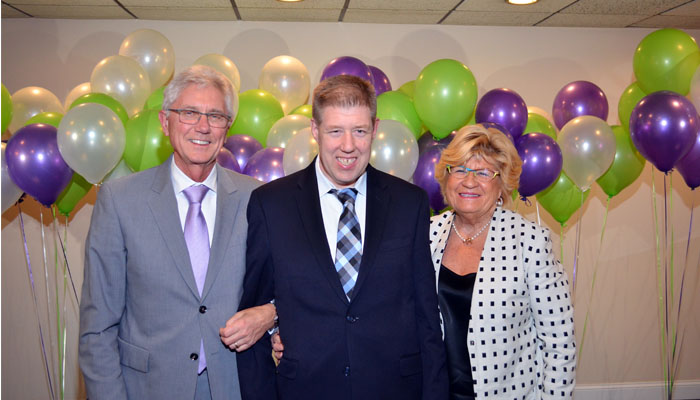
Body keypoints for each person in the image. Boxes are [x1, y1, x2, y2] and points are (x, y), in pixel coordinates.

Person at [236, 74, 448, 400]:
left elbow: (427, 316)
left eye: (359, 131)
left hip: (394, 388)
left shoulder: (409, 203)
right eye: (335, 131)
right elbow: (255, 315)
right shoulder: (271, 205)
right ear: (315, 130)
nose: (348, 145)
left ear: (375, 129)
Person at [79, 65, 275, 400]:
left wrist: (271, 313)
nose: (203, 126)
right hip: (148, 389)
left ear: (227, 128)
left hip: (236, 387)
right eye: (189, 113)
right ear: (164, 122)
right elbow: (97, 329)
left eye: (215, 115)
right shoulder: (120, 200)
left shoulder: (259, 200)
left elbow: (293, 286)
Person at [429, 125, 576, 399]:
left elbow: (559, 343)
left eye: (484, 173)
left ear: (502, 184)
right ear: (446, 178)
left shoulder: (530, 242)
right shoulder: (426, 234)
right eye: (460, 169)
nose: (469, 182)